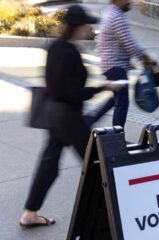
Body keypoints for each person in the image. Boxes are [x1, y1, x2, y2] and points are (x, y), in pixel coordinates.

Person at [19, 5, 123, 227]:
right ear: (78, 26)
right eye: (86, 24)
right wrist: (104, 87)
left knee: (49, 165)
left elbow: (54, 87)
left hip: (53, 116)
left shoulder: (54, 47)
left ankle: (29, 213)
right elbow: (73, 93)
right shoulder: (71, 52)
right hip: (69, 117)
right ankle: (114, 210)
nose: (88, 28)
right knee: (96, 161)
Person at [94, 0, 155, 129]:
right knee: (122, 102)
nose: (130, 2)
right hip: (114, 65)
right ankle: (117, 136)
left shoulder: (111, 13)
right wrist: (145, 58)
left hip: (110, 64)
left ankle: (90, 119)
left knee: (116, 99)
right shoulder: (116, 17)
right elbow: (129, 42)